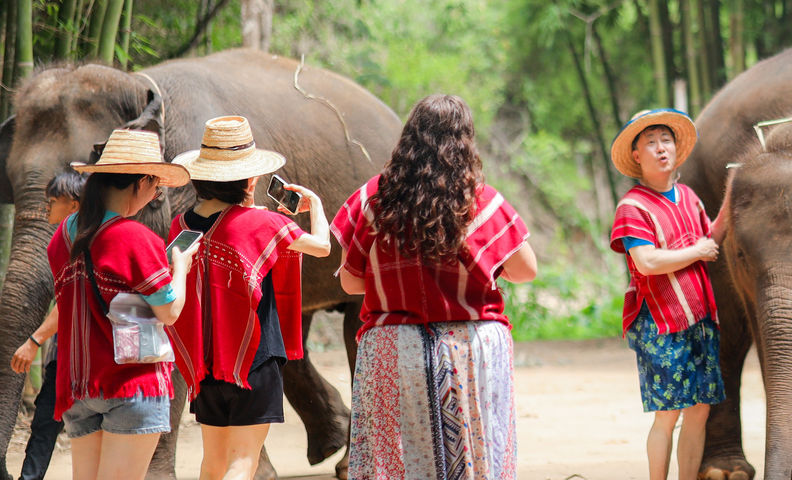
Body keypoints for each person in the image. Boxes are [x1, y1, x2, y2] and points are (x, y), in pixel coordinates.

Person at [334, 95, 538, 478]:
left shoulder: (372, 198)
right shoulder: (479, 200)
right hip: (470, 350)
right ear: (465, 141)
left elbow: (350, 280)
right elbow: (526, 270)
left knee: (397, 466)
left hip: (393, 351)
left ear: (409, 136)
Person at [166, 116, 331, 480]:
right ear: (250, 178)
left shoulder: (180, 227)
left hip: (206, 366)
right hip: (253, 363)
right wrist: (315, 204)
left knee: (213, 462)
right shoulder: (263, 223)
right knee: (243, 463)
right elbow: (321, 246)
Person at [50, 129, 196, 479]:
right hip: (133, 383)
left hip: (80, 384)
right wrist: (182, 268)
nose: (156, 193)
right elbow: (170, 311)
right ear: (142, 180)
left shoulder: (64, 234)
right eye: (156, 185)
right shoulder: (134, 237)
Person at [607, 108, 724, 480]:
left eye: (666, 140)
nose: (661, 149)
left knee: (700, 409)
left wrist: (735, 199)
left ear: (676, 149)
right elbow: (647, 262)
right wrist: (698, 252)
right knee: (668, 413)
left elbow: (709, 240)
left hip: (699, 317)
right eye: (651, 143)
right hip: (660, 321)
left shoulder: (688, 196)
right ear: (637, 156)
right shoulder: (632, 206)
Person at [9, 170, 85, 480]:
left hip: (85, 355)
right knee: (48, 420)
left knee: (55, 422)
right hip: (69, 350)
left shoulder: (83, 239)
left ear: (74, 206)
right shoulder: (69, 236)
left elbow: (68, 300)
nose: (46, 209)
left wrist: (33, 341)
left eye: (52, 202)